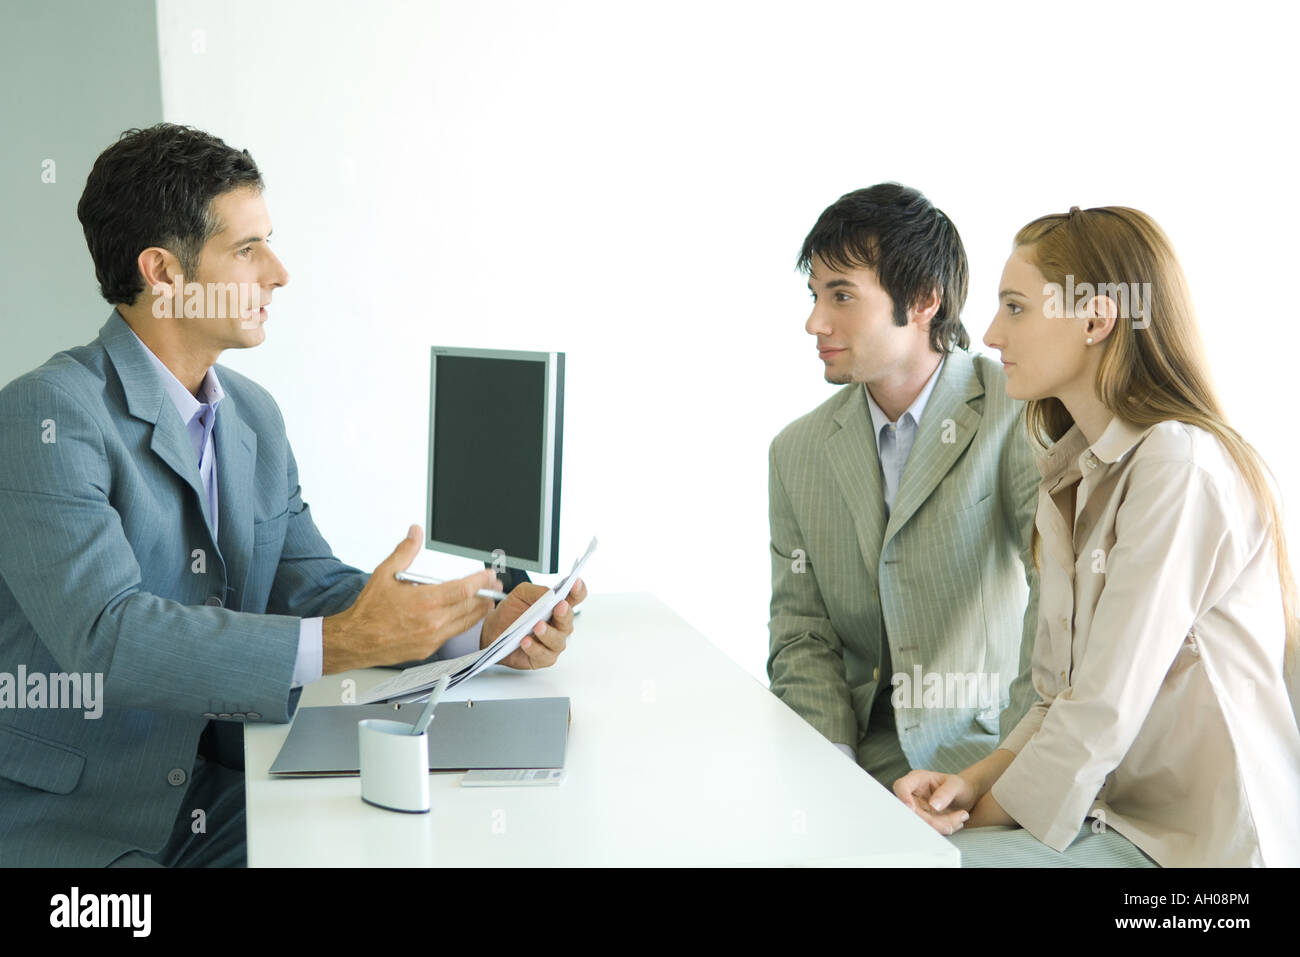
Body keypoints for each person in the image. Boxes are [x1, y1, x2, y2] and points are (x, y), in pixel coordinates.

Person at [0, 123, 587, 867]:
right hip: (84, 825)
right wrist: (345, 643)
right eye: (247, 250)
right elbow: (110, 639)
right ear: (164, 273)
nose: (278, 272)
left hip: (219, 788)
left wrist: (478, 626)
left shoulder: (252, 416)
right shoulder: (46, 416)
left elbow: (308, 585)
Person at [894, 205, 1300, 867]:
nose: (992, 333)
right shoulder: (1077, 470)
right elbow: (1061, 697)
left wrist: (971, 821)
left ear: (1096, 318)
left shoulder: (1177, 465)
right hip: (1113, 825)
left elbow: (1102, 711)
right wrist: (970, 782)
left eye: (1016, 307)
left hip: (1203, 855)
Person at [767, 183, 1041, 789]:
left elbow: (1058, 603)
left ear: (922, 301)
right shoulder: (796, 452)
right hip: (858, 758)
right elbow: (801, 635)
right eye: (815, 294)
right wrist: (831, 771)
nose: (815, 321)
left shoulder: (1015, 410)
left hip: (987, 755)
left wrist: (1016, 768)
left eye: (842, 295)